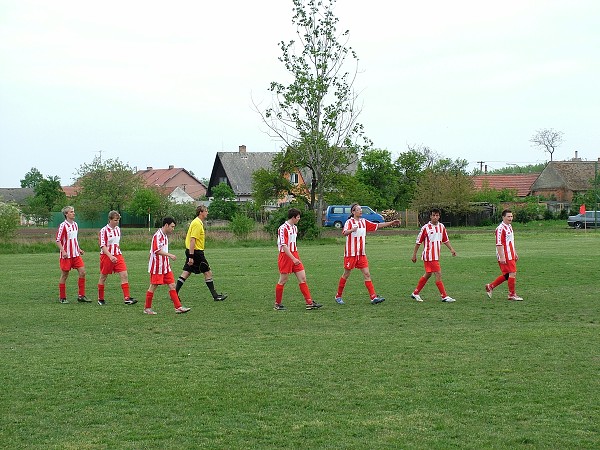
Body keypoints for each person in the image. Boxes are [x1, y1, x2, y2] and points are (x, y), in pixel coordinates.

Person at [334, 203, 400, 305]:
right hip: (351, 254)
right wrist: (352, 230)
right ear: (353, 212)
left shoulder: (364, 222)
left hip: (361, 254)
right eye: (358, 210)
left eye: (361, 210)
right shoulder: (349, 222)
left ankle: (373, 297)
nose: (361, 211)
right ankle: (338, 296)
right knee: (346, 274)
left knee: (367, 274)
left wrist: (391, 223)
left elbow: (377, 225)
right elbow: (344, 233)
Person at [175, 205, 227, 302]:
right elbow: (192, 240)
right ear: (200, 212)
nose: (207, 212)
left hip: (193, 251)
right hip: (196, 252)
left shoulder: (197, 222)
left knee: (186, 272)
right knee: (207, 272)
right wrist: (191, 256)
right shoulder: (197, 224)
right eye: (206, 211)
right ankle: (215, 296)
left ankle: (174, 294)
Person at [274, 208, 322, 311]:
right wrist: (293, 258)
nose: (299, 219)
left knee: (303, 278)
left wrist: (295, 257)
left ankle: (309, 303)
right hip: (285, 256)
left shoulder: (295, 228)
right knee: (283, 280)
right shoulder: (283, 228)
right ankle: (277, 304)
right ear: (293, 217)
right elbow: (284, 245)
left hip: (294, 254)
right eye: (298, 217)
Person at [145, 217, 191, 315]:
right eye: (172, 227)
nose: (173, 229)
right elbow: (156, 250)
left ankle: (178, 307)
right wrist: (170, 255)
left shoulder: (165, 235)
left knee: (172, 285)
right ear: (166, 225)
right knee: (153, 286)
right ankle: (147, 308)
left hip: (165, 266)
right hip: (157, 266)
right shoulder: (157, 236)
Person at [410, 208, 457, 302]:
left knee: (428, 274)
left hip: (435, 255)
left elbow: (445, 240)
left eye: (437, 215)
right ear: (430, 216)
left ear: (439, 216)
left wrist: (451, 249)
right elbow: (418, 242)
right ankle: (444, 296)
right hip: (429, 255)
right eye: (433, 215)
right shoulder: (425, 228)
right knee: (438, 273)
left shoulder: (442, 227)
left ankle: (415, 293)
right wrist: (414, 254)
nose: (435, 217)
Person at [97, 210, 136, 306]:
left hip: (118, 255)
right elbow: (102, 245)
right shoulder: (104, 231)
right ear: (110, 220)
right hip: (106, 256)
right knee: (103, 276)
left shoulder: (118, 229)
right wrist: (110, 256)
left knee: (124, 274)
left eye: (118, 220)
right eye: (115, 220)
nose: (117, 222)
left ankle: (127, 298)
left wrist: (115, 255)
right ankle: (100, 298)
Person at [485, 209, 523, 301]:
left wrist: (515, 252)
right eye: (508, 216)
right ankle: (512, 294)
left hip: (511, 254)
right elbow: (499, 243)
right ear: (503, 217)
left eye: (511, 216)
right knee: (512, 273)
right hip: (506, 255)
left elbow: (510, 241)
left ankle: (490, 286)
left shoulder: (509, 226)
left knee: (507, 275)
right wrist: (502, 257)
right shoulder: (500, 229)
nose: (510, 218)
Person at [55, 205, 90, 304]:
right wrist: (63, 251)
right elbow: (58, 240)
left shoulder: (75, 225)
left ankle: (81, 296)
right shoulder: (63, 226)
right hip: (66, 256)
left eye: (73, 211)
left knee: (82, 272)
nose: (73, 213)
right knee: (65, 275)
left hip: (75, 255)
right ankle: (62, 297)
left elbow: (74, 239)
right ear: (66, 214)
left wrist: (79, 249)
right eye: (71, 212)